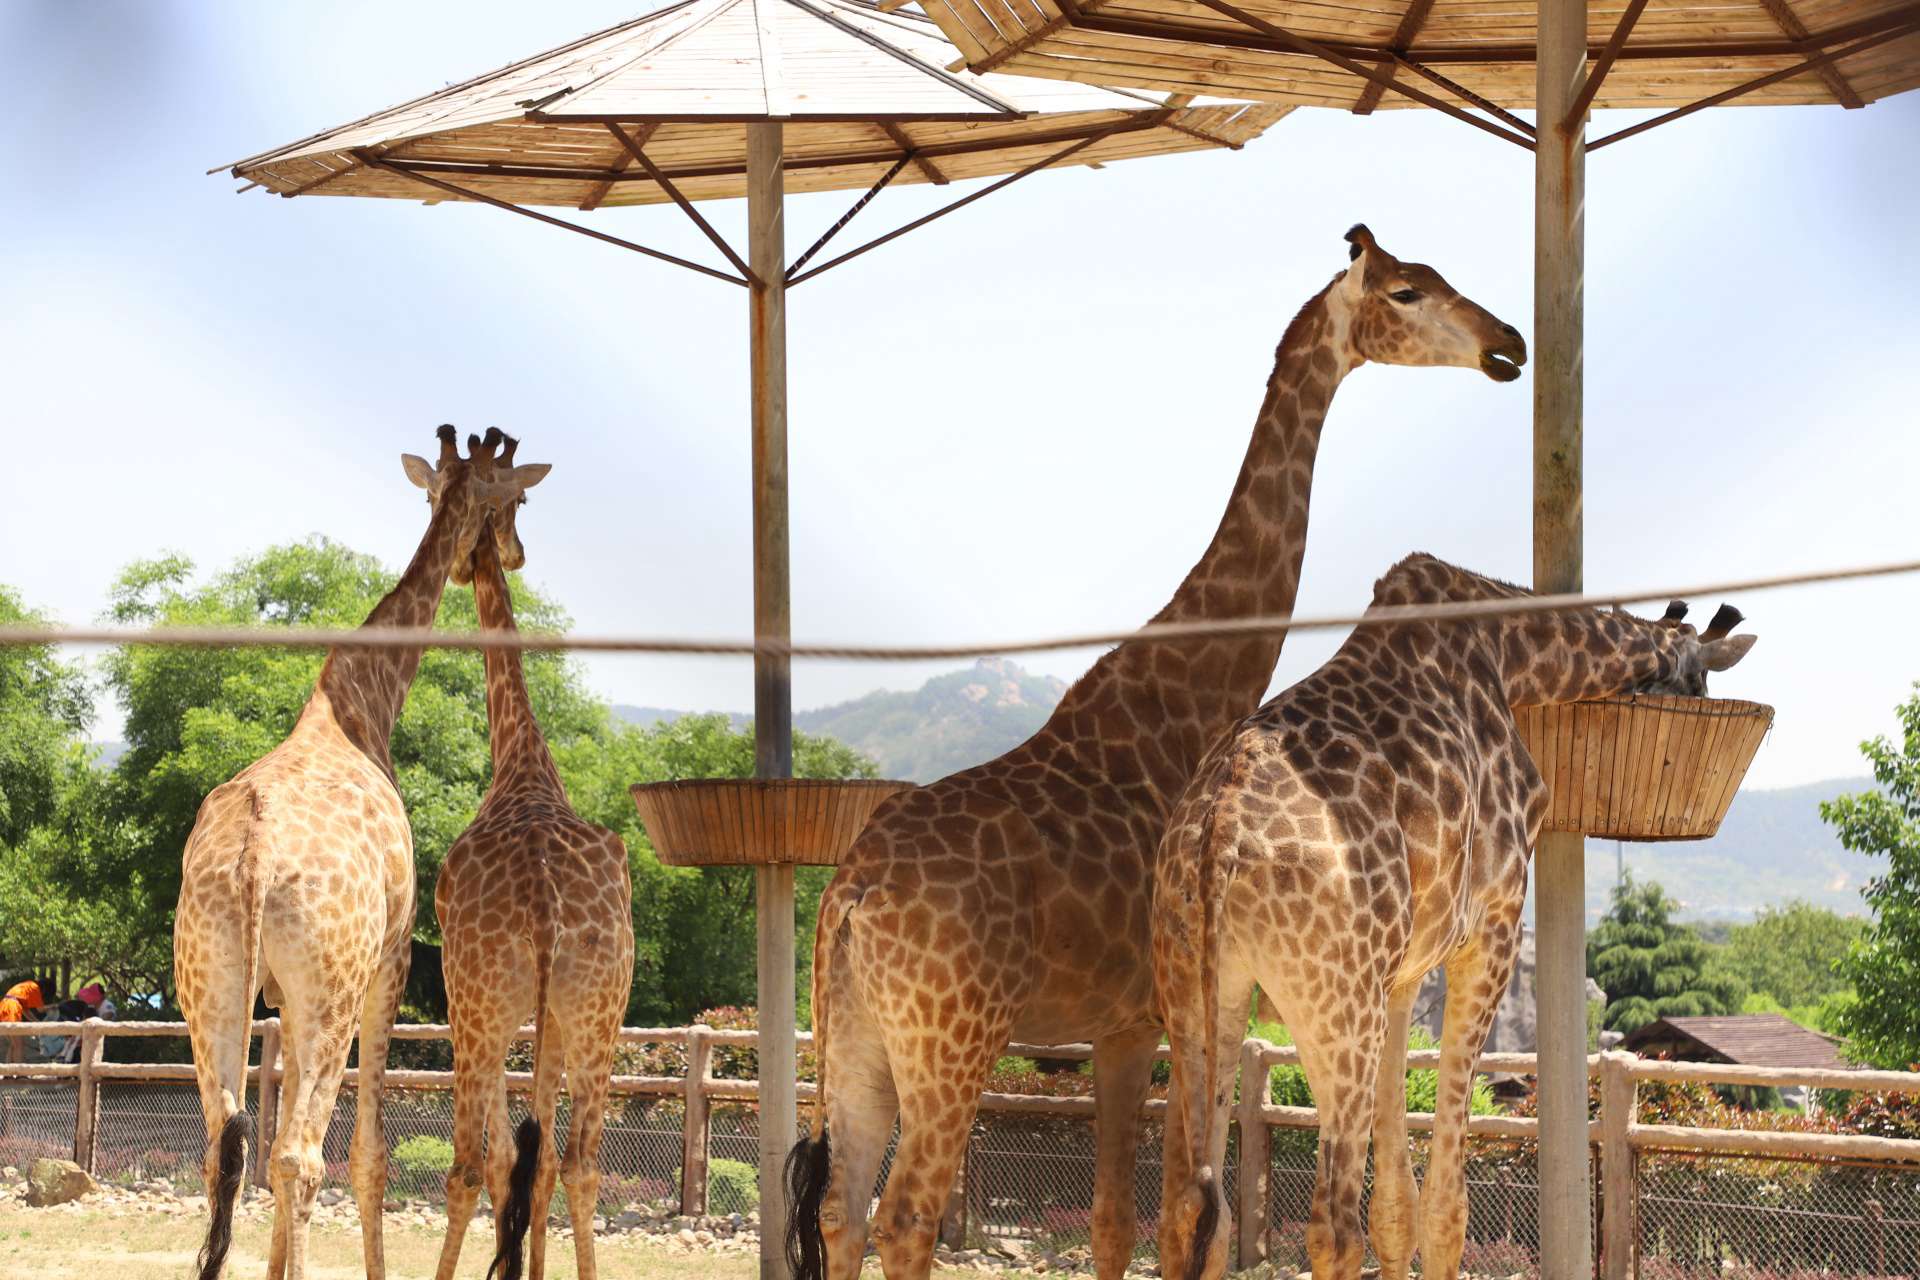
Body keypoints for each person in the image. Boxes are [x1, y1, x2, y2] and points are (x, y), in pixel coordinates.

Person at [0, 978, 49, 1065]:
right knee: (19, 1044)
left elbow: (26, 1011)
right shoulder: (34, 987)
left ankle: (8, 1072)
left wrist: (36, 1021)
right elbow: (40, 1009)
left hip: (4, 1005)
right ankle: (20, 1073)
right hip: (12, 1008)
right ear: (44, 989)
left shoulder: (26, 986)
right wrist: (56, 1006)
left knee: (13, 1044)